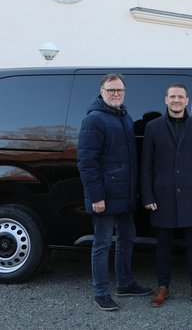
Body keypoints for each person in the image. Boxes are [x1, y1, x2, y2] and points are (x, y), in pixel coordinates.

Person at [78, 73, 152, 311]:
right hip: (105, 197)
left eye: (119, 90)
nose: (116, 94)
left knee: (127, 238)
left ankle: (125, 283)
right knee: (101, 245)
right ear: (102, 92)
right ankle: (100, 292)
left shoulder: (124, 117)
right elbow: (87, 162)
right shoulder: (95, 120)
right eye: (111, 91)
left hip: (125, 195)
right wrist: (96, 197)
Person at [141, 83, 192, 309]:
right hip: (162, 197)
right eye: (172, 96)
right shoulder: (153, 128)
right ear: (165, 100)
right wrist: (147, 195)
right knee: (163, 245)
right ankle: (163, 287)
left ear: (187, 100)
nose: (176, 100)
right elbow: (146, 165)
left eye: (180, 97)